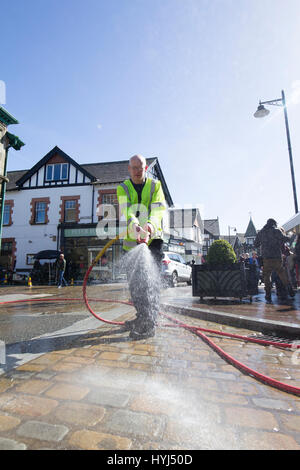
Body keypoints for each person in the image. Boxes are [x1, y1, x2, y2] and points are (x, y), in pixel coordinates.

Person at [117, 154, 166, 340]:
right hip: (132, 243)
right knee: (135, 285)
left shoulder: (156, 186)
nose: (137, 171)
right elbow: (127, 209)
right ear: (129, 169)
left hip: (153, 240)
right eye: (134, 168)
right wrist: (135, 225)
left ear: (146, 168)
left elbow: (158, 209)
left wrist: (150, 226)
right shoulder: (122, 188)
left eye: (141, 167)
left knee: (150, 283)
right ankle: (141, 317)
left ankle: (149, 324)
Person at [254, 218, 295, 302]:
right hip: (276, 256)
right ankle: (289, 288)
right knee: (281, 273)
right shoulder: (276, 231)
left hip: (266, 258)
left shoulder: (261, 232)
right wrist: (290, 235)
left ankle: (268, 294)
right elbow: (284, 239)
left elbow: (256, 244)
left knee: (267, 276)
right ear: (274, 224)